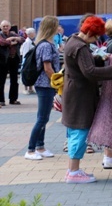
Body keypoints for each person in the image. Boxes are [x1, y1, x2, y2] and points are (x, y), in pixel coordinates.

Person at [62, 16, 112, 184]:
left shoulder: (72, 42)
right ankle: (74, 172)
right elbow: (89, 71)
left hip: (75, 93)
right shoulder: (80, 47)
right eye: (95, 36)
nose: (96, 39)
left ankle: (72, 169)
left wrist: (97, 58)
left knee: (74, 131)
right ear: (88, 32)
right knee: (79, 132)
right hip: (80, 96)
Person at [25, 16, 61, 160]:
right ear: (51, 27)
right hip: (45, 84)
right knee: (42, 118)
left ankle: (40, 146)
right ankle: (30, 149)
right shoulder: (45, 45)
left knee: (44, 117)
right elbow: (47, 68)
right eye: (56, 26)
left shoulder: (45, 43)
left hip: (45, 84)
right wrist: (57, 81)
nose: (58, 28)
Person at [0, 20, 25, 106]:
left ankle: (13, 99)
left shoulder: (13, 34)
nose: (5, 28)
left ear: (10, 27)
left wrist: (10, 39)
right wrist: (12, 42)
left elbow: (22, 39)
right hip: (3, 60)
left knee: (14, 80)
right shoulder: (0, 35)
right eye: (4, 26)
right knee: (1, 80)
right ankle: (1, 100)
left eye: (7, 26)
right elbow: (2, 42)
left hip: (14, 59)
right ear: (1, 27)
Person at [20, 27, 37, 95]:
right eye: (34, 33)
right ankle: (25, 88)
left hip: (31, 60)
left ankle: (30, 88)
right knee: (26, 74)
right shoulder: (27, 42)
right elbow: (25, 52)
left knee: (30, 74)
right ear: (30, 34)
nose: (35, 34)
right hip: (27, 60)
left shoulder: (32, 41)